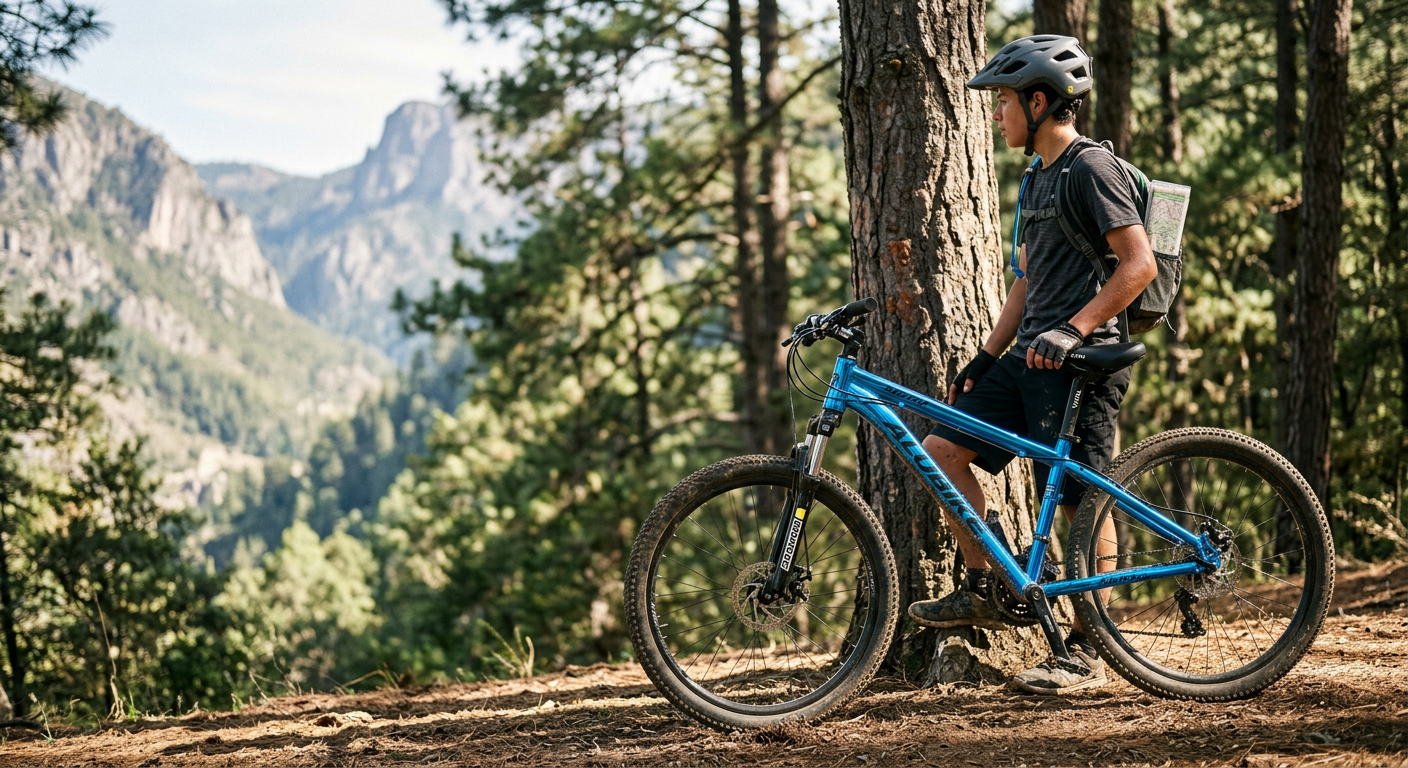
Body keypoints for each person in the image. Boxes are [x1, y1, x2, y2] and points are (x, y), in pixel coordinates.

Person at [906, 35, 1158, 695]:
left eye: (1005, 103)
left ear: (1039, 102)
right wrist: (985, 358)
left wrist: (1075, 330)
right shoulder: (1036, 176)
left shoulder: (1088, 170)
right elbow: (1025, 282)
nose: (997, 115)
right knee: (940, 450)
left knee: (1079, 503)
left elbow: (1139, 265)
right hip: (1028, 359)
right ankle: (987, 583)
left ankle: (1088, 650)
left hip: (1082, 364)